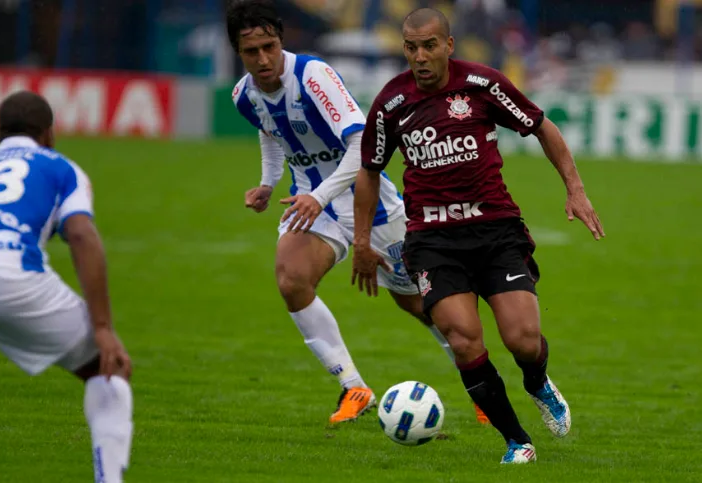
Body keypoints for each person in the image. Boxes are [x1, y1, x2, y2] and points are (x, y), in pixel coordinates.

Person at [352, 8, 604, 463]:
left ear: (449, 45)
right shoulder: (391, 103)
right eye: (411, 47)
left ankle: (538, 383)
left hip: (494, 230)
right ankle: (517, 440)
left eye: (429, 46)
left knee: (523, 340)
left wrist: (576, 190)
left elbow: (542, 125)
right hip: (432, 240)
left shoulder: (482, 85)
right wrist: (361, 242)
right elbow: (369, 172)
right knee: (464, 338)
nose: (420, 56)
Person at [225, 0, 490, 425]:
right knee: (291, 279)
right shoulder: (244, 94)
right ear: (238, 51)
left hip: (370, 205)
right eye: (251, 52)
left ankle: (483, 390)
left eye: (269, 47)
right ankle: (354, 387)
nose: (263, 59)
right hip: (314, 205)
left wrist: (322, 194)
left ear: (281, 40)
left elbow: (362, 145)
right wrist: (268, 183)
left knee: (422, 306)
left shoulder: (313, 76)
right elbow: (270, 132)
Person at [0, 91, 133, 482]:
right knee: (107, 370)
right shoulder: (61, 167)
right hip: (11, 280)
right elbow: (81, 236)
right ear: (48, 134)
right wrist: (102, 328)